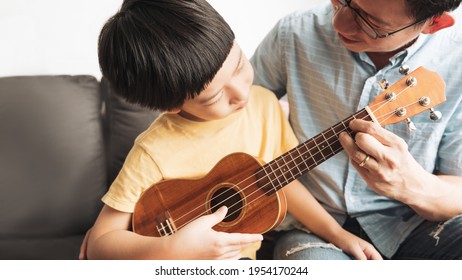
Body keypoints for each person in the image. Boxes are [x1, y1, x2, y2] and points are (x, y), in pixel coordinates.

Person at [85, 0, 382, 260]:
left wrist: (338, 235)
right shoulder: (153, 150)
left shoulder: (264, 105)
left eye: (239, 65)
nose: (241, 93)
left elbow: (282, 182)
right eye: (215, 97)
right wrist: (174, 249)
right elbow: (100, 245)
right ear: (172, 106)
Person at [250, 0, 462, 259]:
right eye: (341, 1)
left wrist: (409, 185)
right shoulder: (295, 31)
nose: (338, 23)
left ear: (434, 23)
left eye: (372, 23)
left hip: (413, 225)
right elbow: (233, 119)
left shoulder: (457, 60)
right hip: (312, 222)